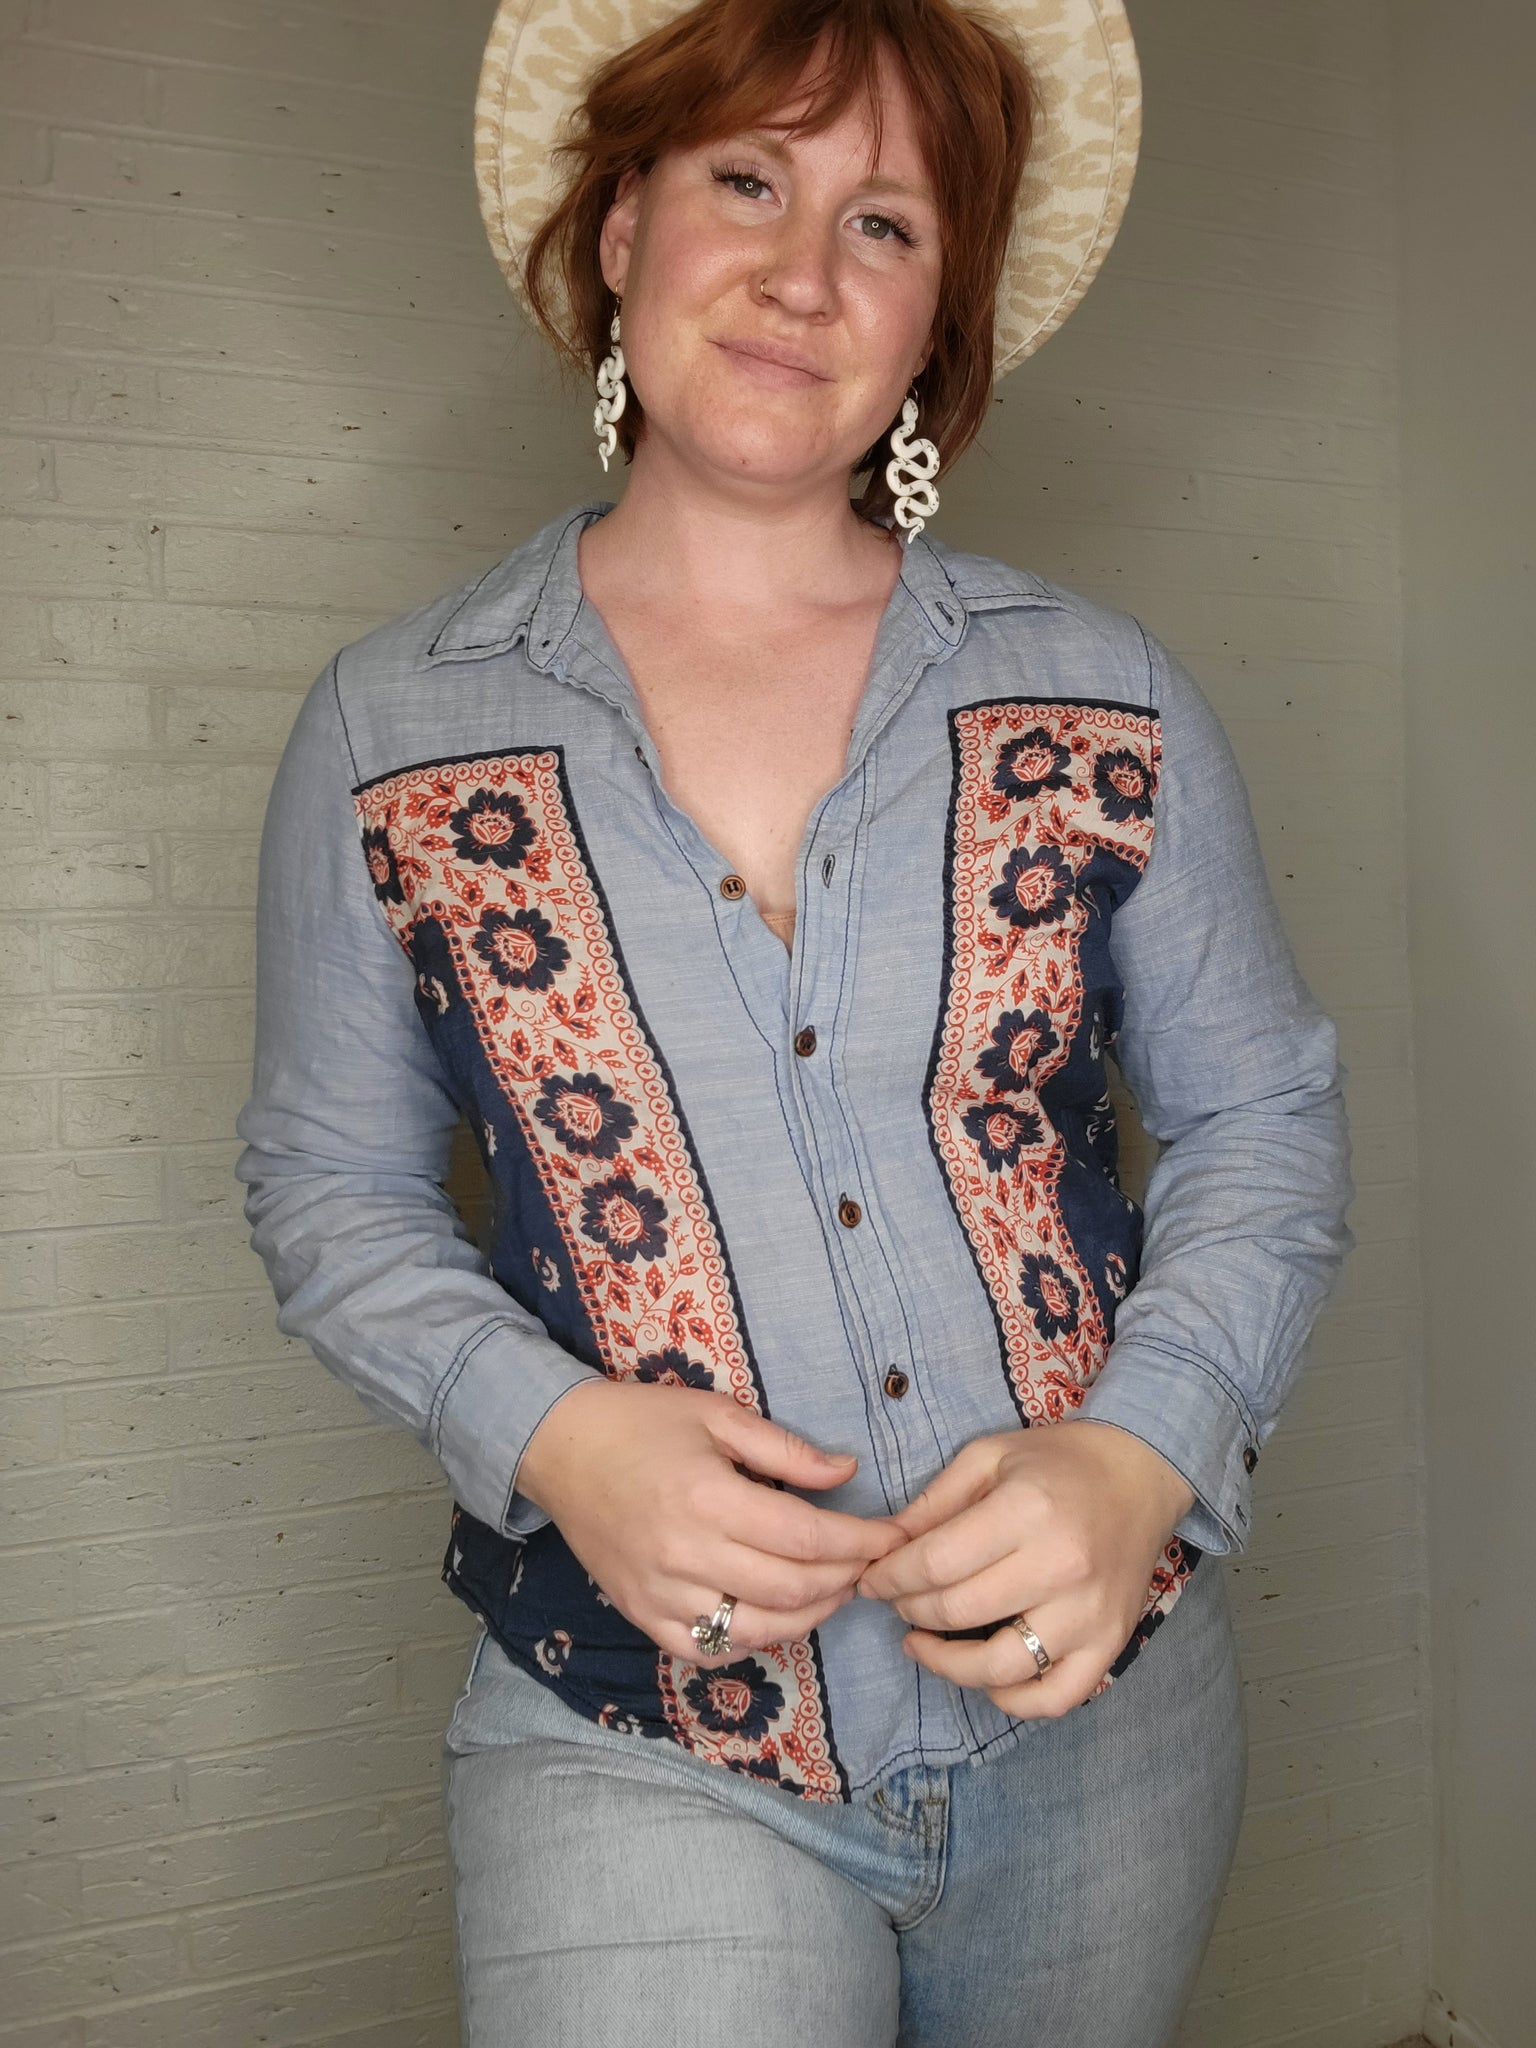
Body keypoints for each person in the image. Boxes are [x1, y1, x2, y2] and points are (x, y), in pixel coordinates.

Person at [233, 0, 1356, 2040]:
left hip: (1102, 1727)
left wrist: (1144, 1458)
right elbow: (327, 1183)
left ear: (936, 322)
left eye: (886, 223)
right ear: (622, 227)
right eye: (746, 178)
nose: (802, 272)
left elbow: (1260, 1118)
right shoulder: (392, 733)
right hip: (636, 1729)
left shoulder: (1106, 698)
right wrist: (556, 1434)